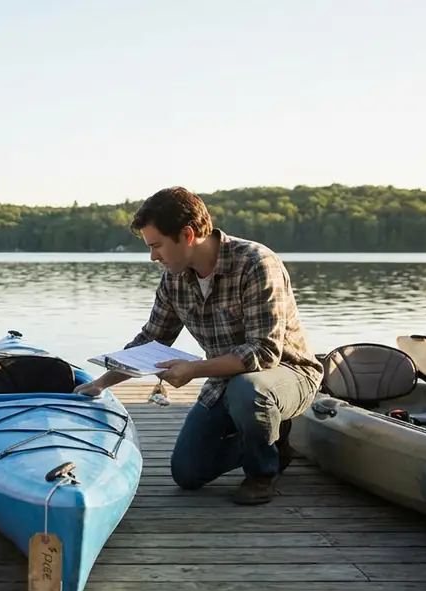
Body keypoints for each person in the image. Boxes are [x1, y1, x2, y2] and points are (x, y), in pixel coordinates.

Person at [74, 187, 323, 505]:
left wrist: (194, 370)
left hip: (288, 374)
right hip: (226, 380)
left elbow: (264, 352)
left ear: (187, 235)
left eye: (156, 246)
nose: (153, 257)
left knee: (248, 389)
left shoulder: (256, 263)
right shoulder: (174, 279)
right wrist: (100, 384)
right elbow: (151, 339)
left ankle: (262, 474)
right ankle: (272, 437)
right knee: (187, 472)